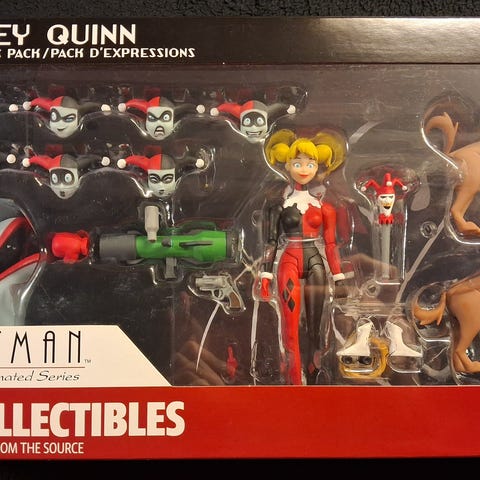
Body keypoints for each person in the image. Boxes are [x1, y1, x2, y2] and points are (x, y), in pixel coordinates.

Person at [258, 128, 349, 385]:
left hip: (315, 262)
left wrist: (339, 279)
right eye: (297, 163)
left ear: (318, 166)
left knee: (315, 327)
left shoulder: (325, 208)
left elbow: (330, 245)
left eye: (310, 163)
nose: (304, 169)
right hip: (288, 261)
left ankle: (313, 376)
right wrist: (265, 276)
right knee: (290, 327)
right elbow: (271, 242)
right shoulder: (278, 207)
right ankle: (294, 381)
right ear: (287, 165)